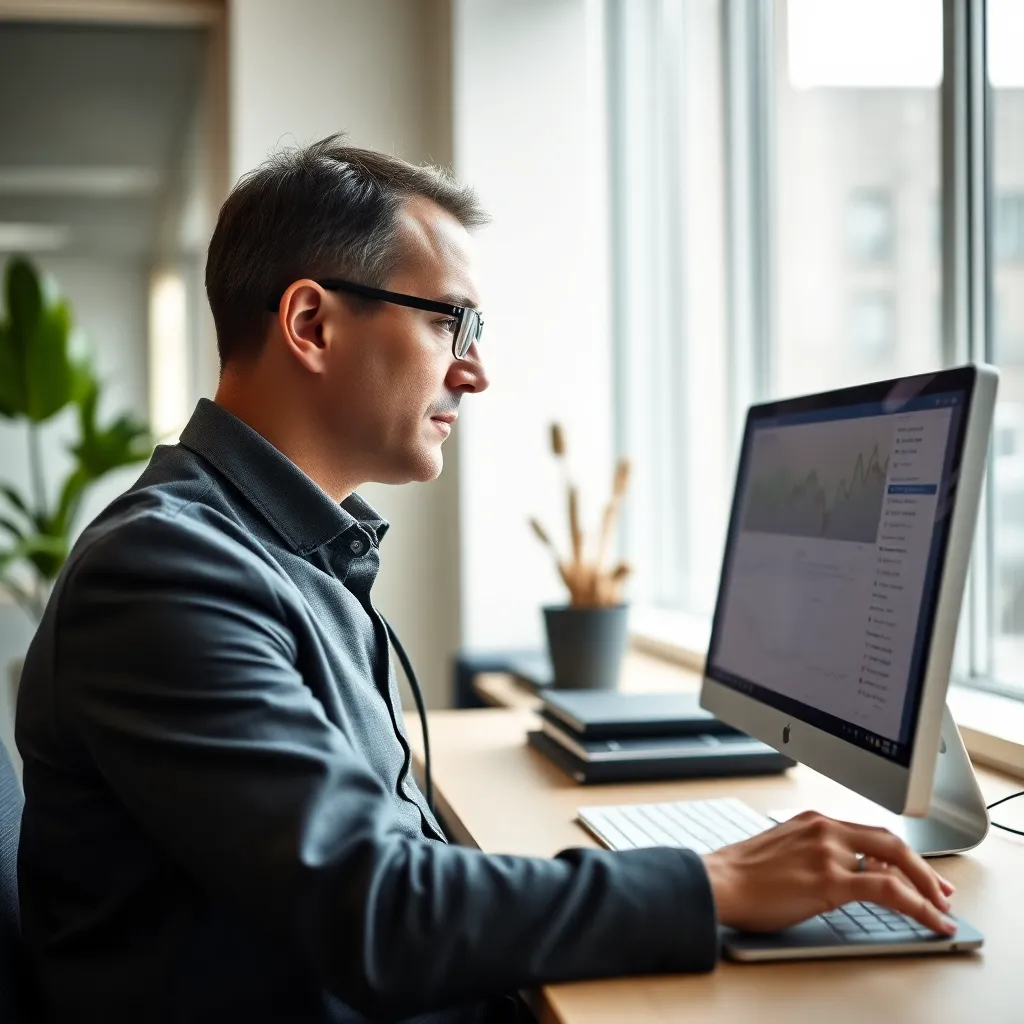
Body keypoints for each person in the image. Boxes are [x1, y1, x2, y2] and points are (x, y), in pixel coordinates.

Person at [16, 135, 957, 1024]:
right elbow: (374, 909)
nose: (476, 371)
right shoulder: (168, 571)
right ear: (310, 322)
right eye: (452, 322)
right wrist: (715, 886)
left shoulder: (271, 548)